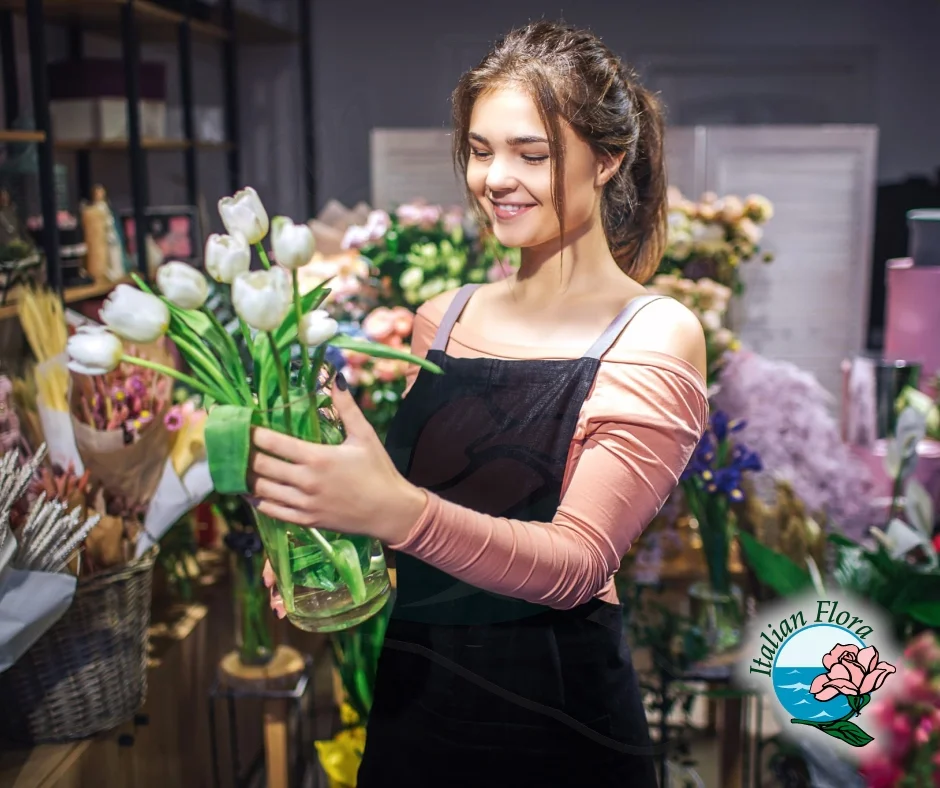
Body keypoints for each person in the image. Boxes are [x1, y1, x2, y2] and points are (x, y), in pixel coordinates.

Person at [250, 20, 708, 787]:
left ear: (608, 160)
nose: (496, 177)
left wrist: (395, 513)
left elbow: (575, 565)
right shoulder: (445, 317)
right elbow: (423, 523)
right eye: (479, 149)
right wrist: (338, 547)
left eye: (531, 154)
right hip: (416, 709)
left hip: (558, 725)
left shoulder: (656, 332)